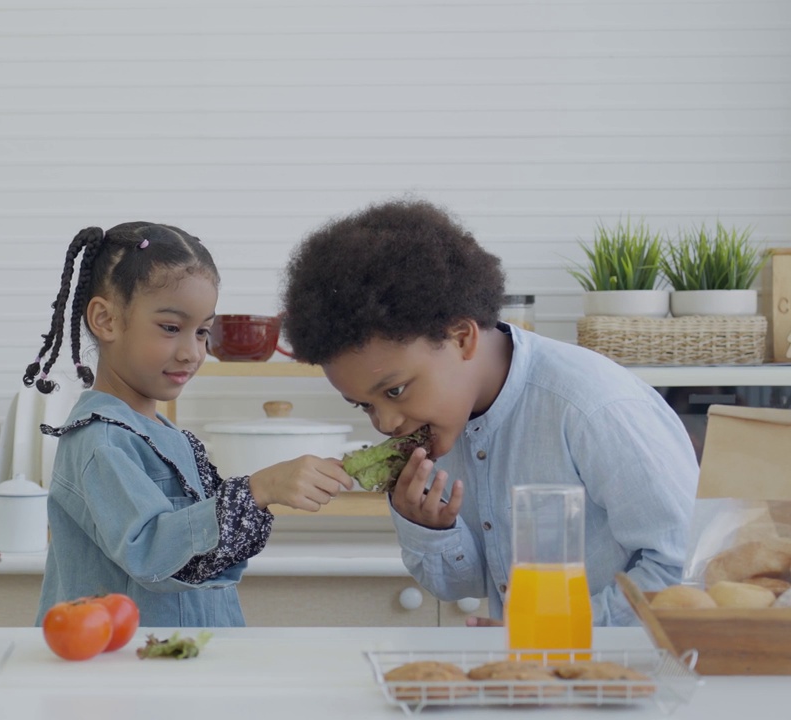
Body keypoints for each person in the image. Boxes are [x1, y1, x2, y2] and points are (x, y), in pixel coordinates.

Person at [279, 198, 698, 627]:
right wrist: (430, 529)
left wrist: (551, 630)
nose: (385, 423)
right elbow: (465, 586)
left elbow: (683, 570)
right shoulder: (443, 422)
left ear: (461, 338)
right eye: (365, 405)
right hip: (534, 676)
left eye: (396, 390)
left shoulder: (592, 406)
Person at [24, 221, 353, 627]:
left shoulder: (161, 433)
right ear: (105, 320)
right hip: (126, 676)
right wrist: (260, 488)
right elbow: (151, 551)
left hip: (183, 667)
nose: (192, 352)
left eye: (202, 332)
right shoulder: (101, 441)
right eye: (170, 328)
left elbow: (204, 558)